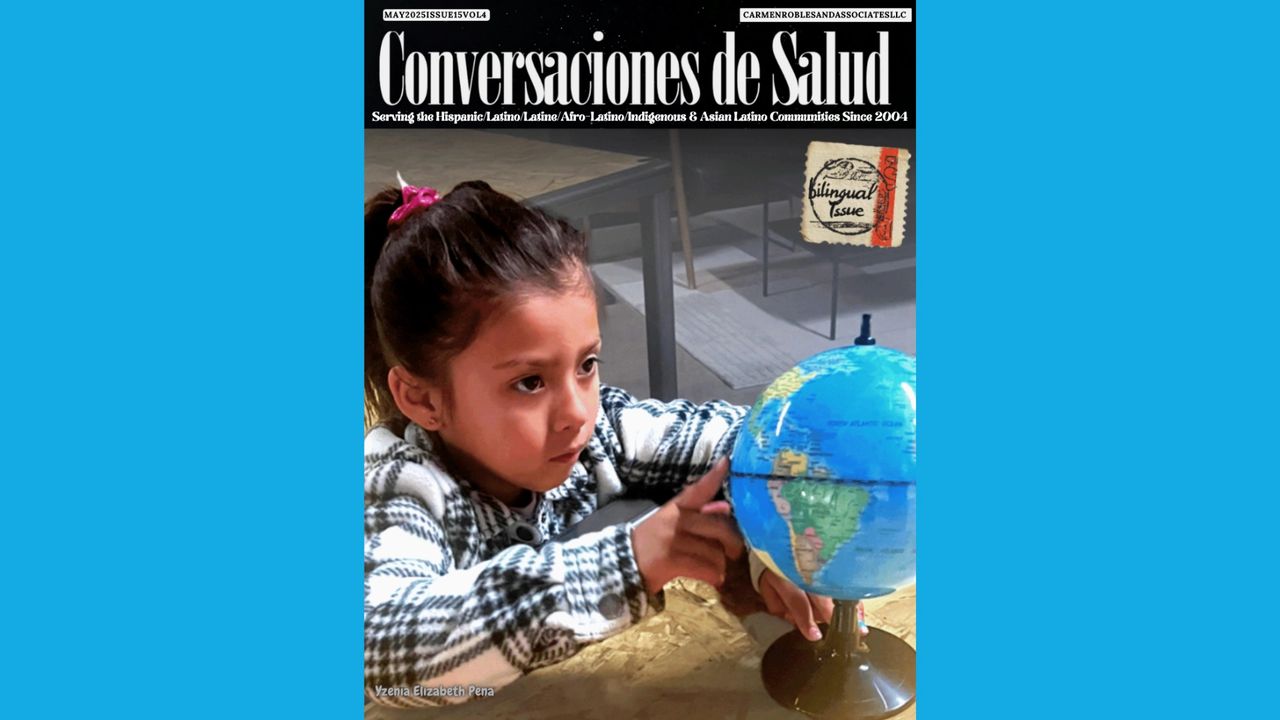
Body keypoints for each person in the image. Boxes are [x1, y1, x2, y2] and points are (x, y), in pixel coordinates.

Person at [364, 180, 832, 708]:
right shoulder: (400, 486)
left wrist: (771, 534)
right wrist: (628, 562)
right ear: (424, 401)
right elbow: (384, 660)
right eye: (529, 383)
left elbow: (746, 443)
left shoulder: (596, 428)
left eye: (586, 365)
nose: (577, 412)